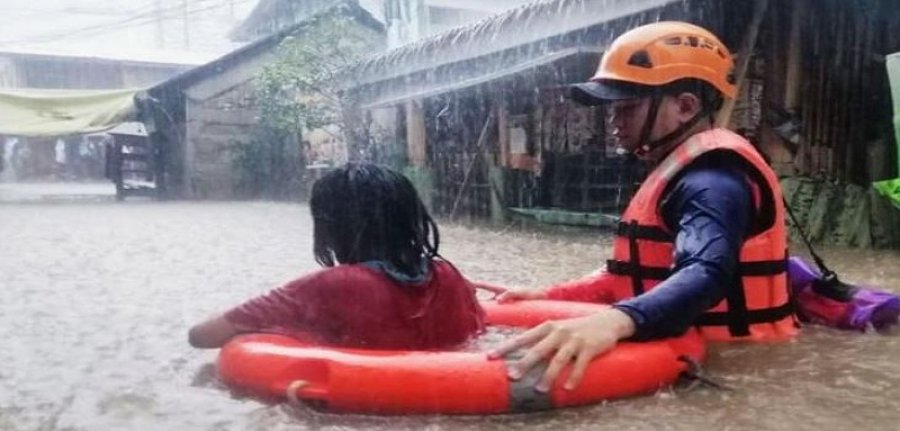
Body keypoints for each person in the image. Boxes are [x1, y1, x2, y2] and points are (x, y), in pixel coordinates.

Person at [487, 21, 797, 392]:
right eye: (613, 110)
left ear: (686, 107)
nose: (614, 123)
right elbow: (631, 276)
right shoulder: (679, 169)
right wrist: (549, 296)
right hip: (699, 356)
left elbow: (706, 271)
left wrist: (615, 321)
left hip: (737, 370)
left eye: (628, 109)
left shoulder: (712, 181)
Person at [189, 164, 485, 350]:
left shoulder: (334, 285)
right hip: (448, 392)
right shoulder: (448, 276)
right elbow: (477, 331)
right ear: (412, 218)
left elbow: (202, 336)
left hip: (364, 407)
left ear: (330, 227)